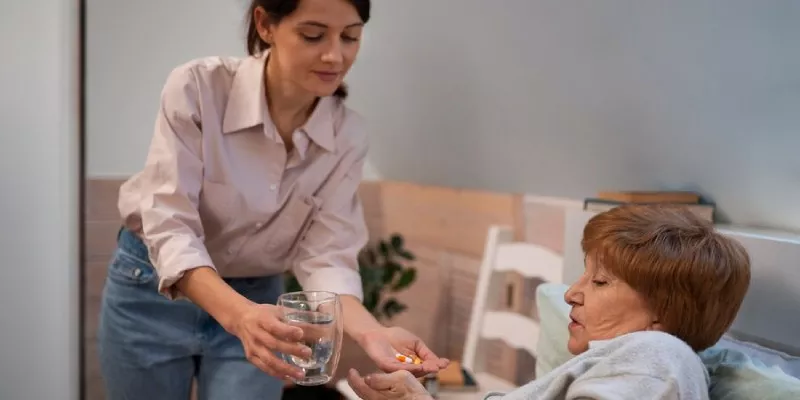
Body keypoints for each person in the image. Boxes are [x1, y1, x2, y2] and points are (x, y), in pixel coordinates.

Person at [97, 0, 448, 399]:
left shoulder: (347, 134)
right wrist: (238, 315)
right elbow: (171, 224)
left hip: (261, 302)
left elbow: (327, 255)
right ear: (265, 24)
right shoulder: (198, 87)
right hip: (151, 290)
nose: (336, 55)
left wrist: (373, 333)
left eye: (350, 36)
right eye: (313, 35)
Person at [346, 205, 752, 400]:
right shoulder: (634, 359)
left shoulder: (658, 355)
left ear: (661, 314)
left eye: (599, 281)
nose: (571, 293)